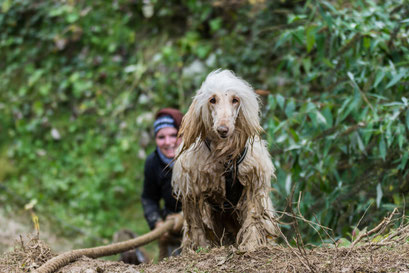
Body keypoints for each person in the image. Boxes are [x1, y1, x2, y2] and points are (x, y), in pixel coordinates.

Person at [141, 108, 183, 261]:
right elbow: (149, 198)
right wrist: (157, 224)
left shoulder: (199, 156)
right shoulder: (153, 163)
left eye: (174, 135)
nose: (168, 142)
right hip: (172, 226)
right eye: (161, 137)